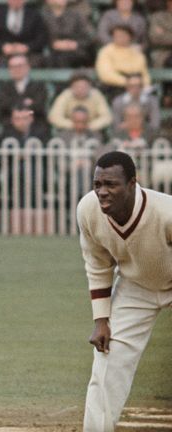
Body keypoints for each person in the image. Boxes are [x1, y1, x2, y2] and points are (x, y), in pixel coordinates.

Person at [77, 151, 172, 432]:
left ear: (133, 183)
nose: (102, 192)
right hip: (136, 287)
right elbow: (97, 265)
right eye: (97, 184)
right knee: (108, 361)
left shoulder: (165, 212)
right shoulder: (88, 210)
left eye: (111, 185)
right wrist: (101, 321)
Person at [0, 55, 48, 131]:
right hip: (10, 125)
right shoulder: (4, 87)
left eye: (20, 66)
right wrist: (20, 110)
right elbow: (3, 106)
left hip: (34, 124)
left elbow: (39, 107)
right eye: (13, 67)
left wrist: (27, 113)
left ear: (27, 67)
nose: (16, 69)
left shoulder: (39, 86)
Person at [95, 25, 151, 96]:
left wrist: (145, 84)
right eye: (116, 36)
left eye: (123, 35)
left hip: (136, 82)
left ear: (130, 37)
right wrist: (127, 82)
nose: (119, 38)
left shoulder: (136, 52)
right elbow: (106, 74)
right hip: (115, 85)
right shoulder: (106, 51)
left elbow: (143, 72)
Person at [0, 0, 48, 67]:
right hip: (3, 55)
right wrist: (2, 47)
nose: (16, 1)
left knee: (38, 62)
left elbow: (41, 38)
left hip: (29, 55)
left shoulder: (35, 15)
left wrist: (27, 47)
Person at [48, 73, 112, 133]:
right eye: (77, 86)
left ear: (90, 87)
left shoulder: (96, 95)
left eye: (84, 87)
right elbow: (54, 117)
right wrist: (74, 125)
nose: (80, 89)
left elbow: (107, 117)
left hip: (91, 131)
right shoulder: (65, 95)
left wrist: (89, 126)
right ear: (72, 87)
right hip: (69, 131)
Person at [41, 0, 93, 68]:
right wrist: (53, 44)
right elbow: (38, 37)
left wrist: (75, 44)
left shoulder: (77, 15)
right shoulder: (42, 16)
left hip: (75, 51)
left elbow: (87, 37)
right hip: (51, 52)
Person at [148, 0, 172, 67]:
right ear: (168, 2)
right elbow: (155, 38)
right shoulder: (157, 17)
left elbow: (161, 37)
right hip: (163, 52)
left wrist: (165, 33)